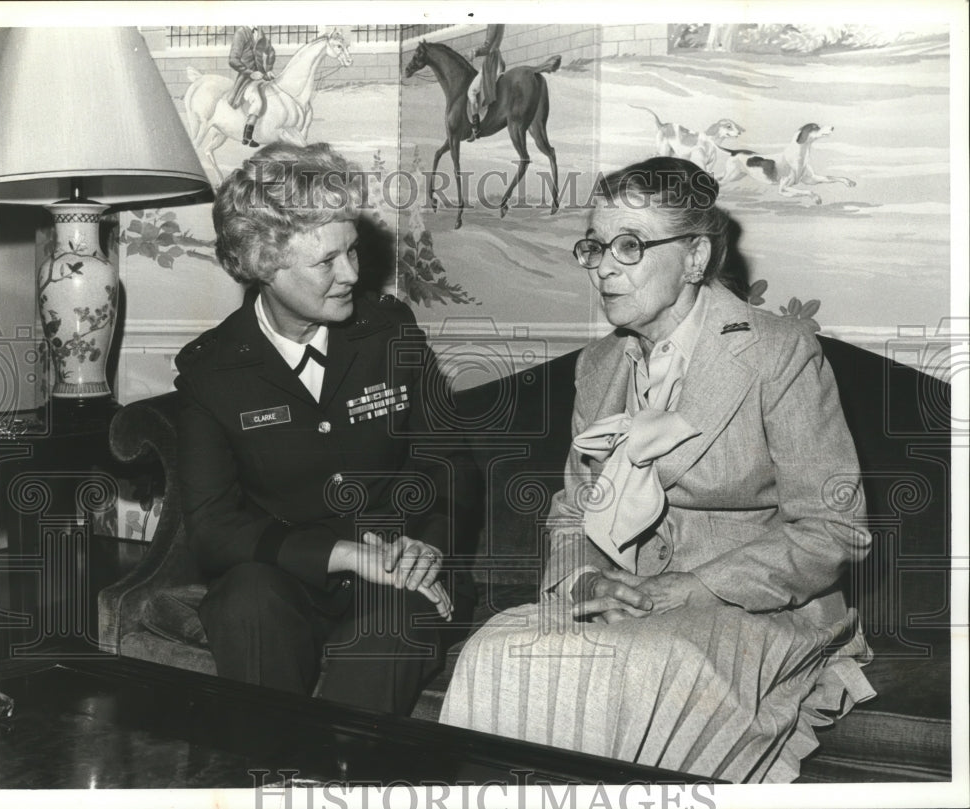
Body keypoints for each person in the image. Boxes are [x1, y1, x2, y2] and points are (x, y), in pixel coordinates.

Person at [439, 156, 876, 782]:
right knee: (494, 650)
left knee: (633, 665)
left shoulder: (778, 353)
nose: (605, 267)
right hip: (630, 606)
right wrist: (588, 582)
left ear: (695, 258)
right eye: (596, 246)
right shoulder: (598, 367)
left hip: (754, 608)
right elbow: (571, 515)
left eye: (630, 245)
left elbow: (835, 530)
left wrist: (694, 588)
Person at [175, 141, 476, 715]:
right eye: (326, 262)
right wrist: (340, 553)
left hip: (396, 562)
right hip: (286, 572)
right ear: (263, 262)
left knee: (391, 628)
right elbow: (213, 528)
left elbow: (449, 465)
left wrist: (428, 546)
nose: (352, 274)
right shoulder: (210, 370)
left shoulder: (389, 334)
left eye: (353, 251)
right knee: (247, 601)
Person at [228, 25, 276, 147]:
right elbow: (233, 60)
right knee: (257, 102)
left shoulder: (260, 32)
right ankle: (247, 137)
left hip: (262, 77)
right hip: (247, 79)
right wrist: (251, 73)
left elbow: (270, 51)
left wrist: (269, 69)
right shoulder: (241, 33)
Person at [466, 24, 505, 142]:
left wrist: (474, 52)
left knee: (471, 92)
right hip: (497, 59)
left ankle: (475, 129)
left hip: (491, 62)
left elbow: (487, 48)